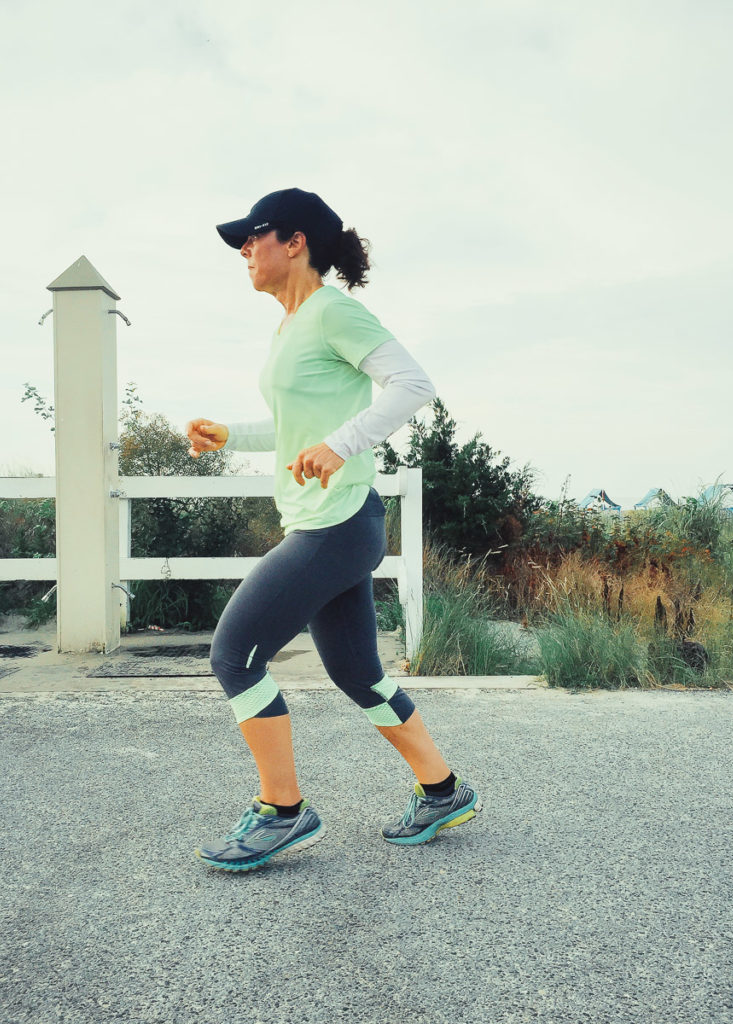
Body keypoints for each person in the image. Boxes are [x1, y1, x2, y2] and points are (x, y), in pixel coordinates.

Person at [187, 188, 481, 871]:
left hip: (336, 526)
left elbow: (412, 384)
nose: (242, 250)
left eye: (252, 236)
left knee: (235, 655)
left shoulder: (333, 312)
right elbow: (301, 424)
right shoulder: (290, 327)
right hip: (331, 524)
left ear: (294, 243)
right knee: (355, 671)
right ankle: (442, 791)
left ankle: (282, 811)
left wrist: (344, 445)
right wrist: (234, 433)